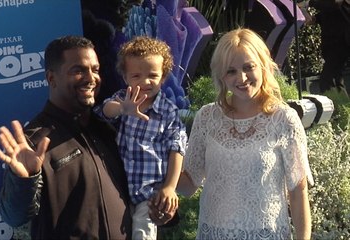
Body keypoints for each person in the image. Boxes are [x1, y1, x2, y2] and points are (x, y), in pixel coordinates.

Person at [0, 35, 175, 240]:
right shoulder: (34, 142)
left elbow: (137, 185)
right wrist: (23, 181)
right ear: (51, 78)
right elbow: (13, 216)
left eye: (95, 69)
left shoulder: (108, 128)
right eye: (78, 70)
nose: (91, 78)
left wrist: (160, 210)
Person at [177, 28, 314, 239]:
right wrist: (157, 151)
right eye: (230, 71)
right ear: (221, 75)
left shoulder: (284, 119)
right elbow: (187, 186)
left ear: (263, 65)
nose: (241, 77)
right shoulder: (206, 117)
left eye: (248, 67)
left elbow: (298, 192)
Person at [94, 36, 187, 239]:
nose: (145, 82)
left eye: (152, 75)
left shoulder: (168, 111)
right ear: (126, 78)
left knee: (142, 233)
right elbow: (103, 111)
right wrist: (122, 109)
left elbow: (177, 148)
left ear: (163, 77)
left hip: (149, 193)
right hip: (119, 189)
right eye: (136, 75)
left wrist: (170, 187)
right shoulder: (122, 99)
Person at [300, 0, 350, 95]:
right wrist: (315, 19)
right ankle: (341, 105)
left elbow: (333, 4)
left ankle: (335, 104)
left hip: (341, 42)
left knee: (327, 79)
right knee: (335, 77)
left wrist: (308, 3)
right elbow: (331, 14)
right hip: (334, 43)